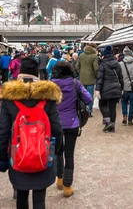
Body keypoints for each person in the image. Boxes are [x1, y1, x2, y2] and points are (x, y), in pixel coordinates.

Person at [0, 57, 63, 209]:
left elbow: (3, 131)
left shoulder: (9, 97)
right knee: (40, 197)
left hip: (18, 154)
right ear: (37, 75)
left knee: (21, 194)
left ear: (19, 74)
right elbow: (57, 128)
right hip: (42, 154)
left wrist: (2, 156)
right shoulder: (48, 96)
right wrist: (56, 151)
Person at [51, 62, 92, 197]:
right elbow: (88, 99)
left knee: (58, 152)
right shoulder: (76, 84)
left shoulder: (50, 85)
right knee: (69, 154)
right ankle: (67, 187)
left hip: (55, 124)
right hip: (72, 123)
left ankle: (59, 179)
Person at [95, 45, 123, 133]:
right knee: (112, 107)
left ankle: (108, 122)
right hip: (115, 88)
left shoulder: (103, 64)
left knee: (102, 104)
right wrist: (121, 88)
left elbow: (100, 78)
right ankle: (112, 127)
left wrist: (97, 89)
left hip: (105, 88)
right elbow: (120, 77)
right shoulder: (117, 63)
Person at [76, 43, 99, 117]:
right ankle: (89, 111)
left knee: (82, 95)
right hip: (91, 79)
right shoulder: (94, 56)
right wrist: (96, 76)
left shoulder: (81, 55)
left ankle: (83, 110)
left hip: (82, 78)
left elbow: (77, 66)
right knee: (90, 95)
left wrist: (81, 73)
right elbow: (96, 68)